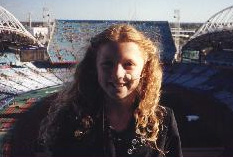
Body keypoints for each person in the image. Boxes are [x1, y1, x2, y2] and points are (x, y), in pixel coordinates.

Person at [38, 24, 183, 157]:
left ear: (144, 69)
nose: (117, 74)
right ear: (95, 68)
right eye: (107, 64)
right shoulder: (71, 118)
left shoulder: (163, 120)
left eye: (128, 64)